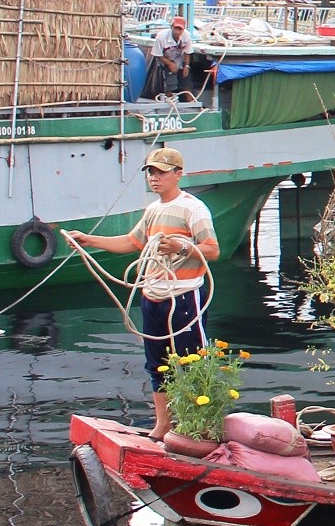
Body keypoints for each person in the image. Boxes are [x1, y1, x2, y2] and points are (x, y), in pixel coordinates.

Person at [64, 148, 219, 441]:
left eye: (161, 172)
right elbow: (131, 242)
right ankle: (164, 425)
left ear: (178, 174)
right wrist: (88, 240)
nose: (155, 178)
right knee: (157, 363)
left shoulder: (193, 209)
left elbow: (212, 250)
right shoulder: (153, 210)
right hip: (153, 295)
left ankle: (203, 427)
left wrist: (179, 247)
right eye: (151, 172)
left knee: (195, 360)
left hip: (184, 296)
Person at [147, 15, 194, 100]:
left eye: (180, 29)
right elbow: (157, 54)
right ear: (171, 27)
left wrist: (187, 65)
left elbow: (188, 52)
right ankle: (169, 101)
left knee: (187, 82)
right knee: (170, 82)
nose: (177, 31)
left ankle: (191, 103)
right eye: (175, 28)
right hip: (165, 59)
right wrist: (170, 64)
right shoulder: (161, 37)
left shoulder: (187, 36)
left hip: (179, 59)